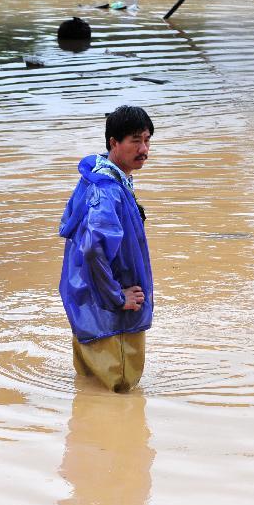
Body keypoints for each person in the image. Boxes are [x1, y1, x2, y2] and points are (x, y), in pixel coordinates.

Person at [59, 106, 154, 393]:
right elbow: (93, 250)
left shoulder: (99, 177)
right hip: (111, 316)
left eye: (147, 140)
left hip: (87, 304)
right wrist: (116, 297)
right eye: (135, 141)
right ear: (113, 142)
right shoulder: (108, 191)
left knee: (91, 390)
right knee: (121, 391)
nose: (144, 149)